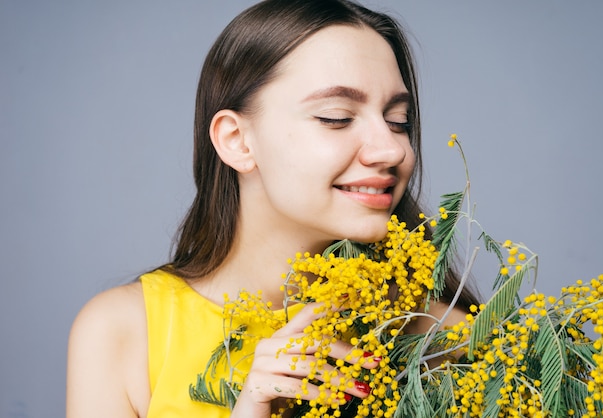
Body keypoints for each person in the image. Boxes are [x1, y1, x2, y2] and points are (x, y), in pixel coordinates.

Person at [66, 0, 480, 417]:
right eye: (336, 117)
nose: (391, 149)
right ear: (236, 140)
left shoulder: (451, 341)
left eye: (398, 120)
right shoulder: (124, 333)